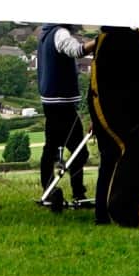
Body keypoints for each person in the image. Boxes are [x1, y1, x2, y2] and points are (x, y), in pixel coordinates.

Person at [87, 25, 139, 227]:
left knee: (109, 162)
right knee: (129, 158)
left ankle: (104, 213)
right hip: (133, 113)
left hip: (108, 112)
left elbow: (94, 84)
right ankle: (127, 209)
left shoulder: (103, 41)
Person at [37, 23, 95, 210]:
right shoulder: (60, 33)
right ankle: (77, 193)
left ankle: (48, 189)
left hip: (50, 100)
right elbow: (76, 51)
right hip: (62, 101)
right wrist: (100, 41)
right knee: (79, 150)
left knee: (51, 148)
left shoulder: (45, 34)